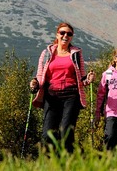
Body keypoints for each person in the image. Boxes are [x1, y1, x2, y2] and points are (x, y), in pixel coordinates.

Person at [29, 22, 95, 153]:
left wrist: (89, 79)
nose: (66, 35)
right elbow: (40, 75)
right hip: (51, 96)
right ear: (57, 34)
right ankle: (50, 163)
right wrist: (35, 84)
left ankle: (67, 162)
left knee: (66, 132)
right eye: (62, 33)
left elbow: (82, 78)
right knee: (48, 135)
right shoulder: (46, 53)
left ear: (72, 36)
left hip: (71, 96)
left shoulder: (76, 54)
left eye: (69, 34)